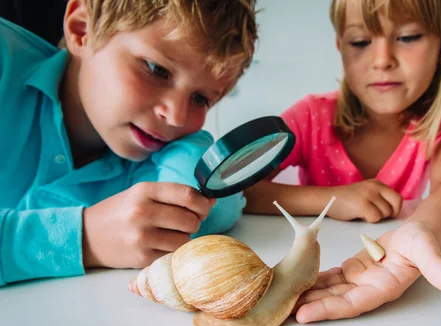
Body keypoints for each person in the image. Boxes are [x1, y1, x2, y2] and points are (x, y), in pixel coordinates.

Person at [244, 0, 441, 323]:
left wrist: (422, 231)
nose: (382, 60)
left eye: (408, 37)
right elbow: (240, 191)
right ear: (340, 45)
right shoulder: (310, 118)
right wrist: (332, 200)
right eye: (361, 42)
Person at [0, 0, 258, 287]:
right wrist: (84, 238)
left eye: (201, 99)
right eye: (156, 69)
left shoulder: (155, 156)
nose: (175, 116)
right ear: (82, 30)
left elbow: (213, 211)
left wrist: (196, 141)